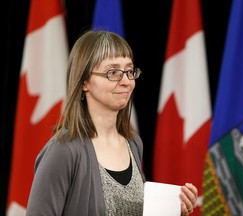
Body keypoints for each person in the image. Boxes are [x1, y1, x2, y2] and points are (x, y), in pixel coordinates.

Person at [26, 30, 198, 216]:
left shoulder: (134, 144)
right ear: (84, 82)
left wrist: (171, 210)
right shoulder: (63, 150)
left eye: (129, 71)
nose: (126, 81)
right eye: (113, 72)